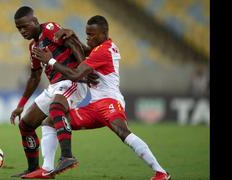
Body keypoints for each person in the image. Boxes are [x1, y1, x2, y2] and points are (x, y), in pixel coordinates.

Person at [30, 15, 171, 180]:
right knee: (50, 121)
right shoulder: (104, 47)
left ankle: (161, 172)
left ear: (104, 33)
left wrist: (51, 61)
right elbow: (85, 50)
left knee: (122, 132)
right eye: (87, 34)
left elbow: (75, 74)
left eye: (92, 35)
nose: (88, 38)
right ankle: (47, 169)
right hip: (93, 106)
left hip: (109, 102)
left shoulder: (103, 51)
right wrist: (72, 35)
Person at [9, 6, 98, 178]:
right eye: (18, 28)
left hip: (73, 80)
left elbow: (73, 43)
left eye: (25, 26)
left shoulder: (50, 29)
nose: (22, 31)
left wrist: (83, 69)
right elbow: (35, 77)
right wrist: (21, 105)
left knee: (56, 108)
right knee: (25, 125)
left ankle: (67, 156)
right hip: (55, 86)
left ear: (35, 21)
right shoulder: (33, 47)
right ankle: (35, 168)